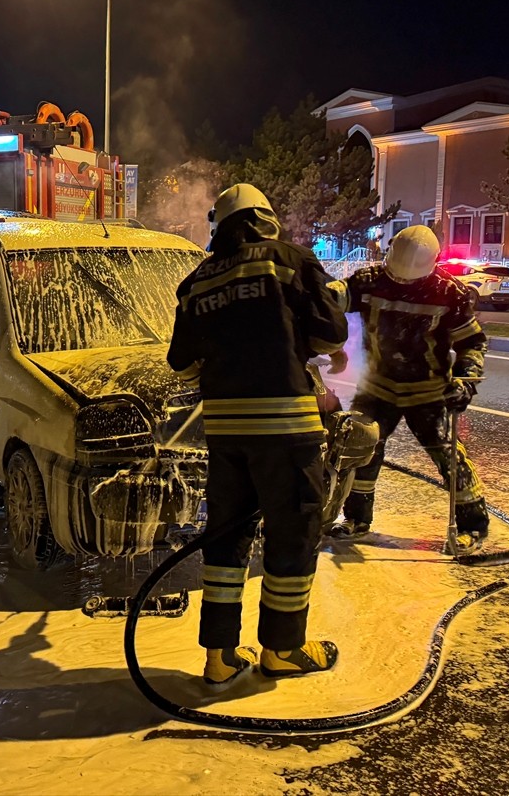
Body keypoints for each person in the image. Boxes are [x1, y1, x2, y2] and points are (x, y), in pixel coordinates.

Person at [167, 183, 349, 686]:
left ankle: (220, 657)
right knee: (292, 535)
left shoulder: (197, 281)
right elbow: (330, 335)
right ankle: (283, 649)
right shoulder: (291, 261)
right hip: (287, 430)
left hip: (226, 434)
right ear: (265, 220)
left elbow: (182, 363)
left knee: (226, 540)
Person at [329, 225, 490, 546]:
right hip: (378, 387)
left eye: (408, 279)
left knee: (448, 455)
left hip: (428, 391)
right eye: (396, 276)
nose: (401, 283)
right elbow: (331, 300)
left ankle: (473, 524)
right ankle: (356, 518)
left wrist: (464, 381)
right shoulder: (368, 281)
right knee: (362, 451)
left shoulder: (450, 293)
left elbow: (472, 343)